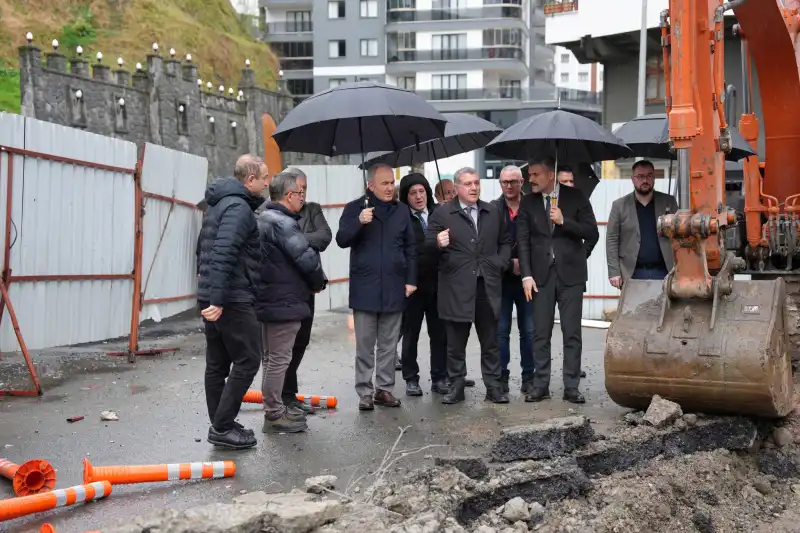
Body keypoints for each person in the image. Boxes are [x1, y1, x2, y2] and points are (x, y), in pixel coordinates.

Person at [196, 154, 268, 450]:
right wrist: (218, 298)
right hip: (230, 297)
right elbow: (223, 252)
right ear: (250, 180)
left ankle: (221, 423)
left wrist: (208, 294)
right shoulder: (238, 207)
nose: (267, 183)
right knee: (248, 358)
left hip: (215, 294)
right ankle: (223, 426)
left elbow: (202, 250)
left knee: (218, 363)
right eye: (264, 178)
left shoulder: (219, 204)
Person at [427, 167, 512, 405]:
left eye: (476, 182)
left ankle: (493, 387)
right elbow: (424, 246)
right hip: (456, 286)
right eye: (467, 184)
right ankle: (456, 387)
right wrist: (437, 242)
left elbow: (505, 241)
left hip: (487, 284)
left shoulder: (492, 210)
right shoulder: (443, 213)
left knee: (490, 341)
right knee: (455, 343)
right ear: (456, 188)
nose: (474, 187)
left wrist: (499, 262)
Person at [336, 163, 418, 411]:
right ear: (370, 186)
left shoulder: (402, 211)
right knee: (365, 345)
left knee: (388, 344)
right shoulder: (355, 209)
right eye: (384, 183)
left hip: (394, 285)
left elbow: (410, 248)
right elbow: (341, 239)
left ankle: (385, 389)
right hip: (366, 287)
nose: (390, 188)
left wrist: (411, 279)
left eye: (392, 183)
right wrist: (359, 222)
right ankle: (364, 391)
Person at [517, 156, 598, 405]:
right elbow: (523, 241)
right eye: (529, 175)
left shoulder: (577, 197)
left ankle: (571, 386)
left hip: (571, 276)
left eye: (535, 175)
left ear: (550, 175)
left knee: (571, 332)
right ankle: (541, 385)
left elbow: (591, 232)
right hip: (540, 277)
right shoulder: (528, 202)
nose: (530, 179)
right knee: (540, 333)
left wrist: (564, 221)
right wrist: (526, 275)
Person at [256, 172, 327, 433]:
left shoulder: (262, 218)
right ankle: (274, 414)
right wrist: (319, 282)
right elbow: (307, 259)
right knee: (279, 359)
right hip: (283, 300)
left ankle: (273, 410)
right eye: (299, 193)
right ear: (289, 195)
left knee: (271, 357)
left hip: (268, 298)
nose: (302, 197)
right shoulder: (283, 222)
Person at [279, 167, 332, 416]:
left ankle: (289, 395)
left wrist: (294, 239)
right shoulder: (272, 212)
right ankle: (282, 399)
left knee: (301, 342)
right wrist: (300, 239)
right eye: (299, 190)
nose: (303, 194)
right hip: (284, 289)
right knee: (281, 348)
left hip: (308, 286)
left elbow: (324, 237)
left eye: (305, 190)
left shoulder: (312, 209)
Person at [397, 173, 448, 396]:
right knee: (411, 334)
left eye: (421, 191)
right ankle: (411, 378)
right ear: (405, 196)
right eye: (412, 193)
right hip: (413, 286)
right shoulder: (401, 218)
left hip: (439, 284)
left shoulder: (440, 213)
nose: (419, 197)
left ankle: (440, 377)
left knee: (440, 334)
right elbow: (409, 250)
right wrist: (433, 243)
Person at [490, 165, 535, 395]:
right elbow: (488, 246)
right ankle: (501, 377)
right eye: (504, 182)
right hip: (502, 279)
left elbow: (540, 242)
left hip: (529, 280)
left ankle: (529, 376)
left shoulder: (533, 206)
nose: (508, 186)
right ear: (500, 184)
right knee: (501, 330)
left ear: (521, 182)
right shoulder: (492, 209)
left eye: (513, 182)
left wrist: (525, 266)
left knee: (529, 330)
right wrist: (510, 264)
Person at [607, 160, 678, 287]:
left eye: (649, 176)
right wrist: (614, 272)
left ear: (654, 178)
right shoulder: (619, 206)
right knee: (633, 307)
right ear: (632, 179)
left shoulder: (669, 202)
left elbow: (680, 236)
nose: (645, 180)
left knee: (663, 307)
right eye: (640, 176)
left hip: (664, 271)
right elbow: (612, 239)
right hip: (631, 272)